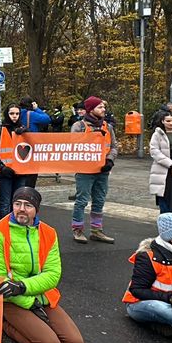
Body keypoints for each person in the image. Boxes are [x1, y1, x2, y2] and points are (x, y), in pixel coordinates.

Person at [0, 187, 84, 343]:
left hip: (40, 295)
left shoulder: (49, 233)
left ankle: (30, 322)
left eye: (28, 205)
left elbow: (52, 274)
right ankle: (4, 323)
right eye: (17, 204)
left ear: (36, 209)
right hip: (11, 299)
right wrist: (27, 302)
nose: (21, 209)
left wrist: (23, 286)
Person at [121, 213, 172, 337]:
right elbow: (137, 290)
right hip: (140, 303)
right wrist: (170, 298)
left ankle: (164, 324)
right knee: (162, 309)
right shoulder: (148, 256)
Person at [70, 96, 118, 243]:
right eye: (100, 107)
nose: (103, 109)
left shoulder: (107, 127)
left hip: (102, 171)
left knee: (99, 200)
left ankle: (96, 231)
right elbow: (73, 146)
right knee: (82, 200)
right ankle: (77, 230)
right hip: (85, 171)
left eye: (103, 107)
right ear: (91, 109)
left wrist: (110, 160)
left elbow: (114, 146)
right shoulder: (79, 126)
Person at [0, 103, 36, 220]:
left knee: (18, 203)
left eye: (17, 113)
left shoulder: (23, 131)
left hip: (21, 173)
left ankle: (15, 226)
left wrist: (27, 133)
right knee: (5, 203)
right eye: (12, 113)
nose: (14, 116)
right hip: (5, 173)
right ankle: (3, 228)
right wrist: (2, 167)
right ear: (7, 114)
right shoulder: (0, 130)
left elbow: (33, 149)